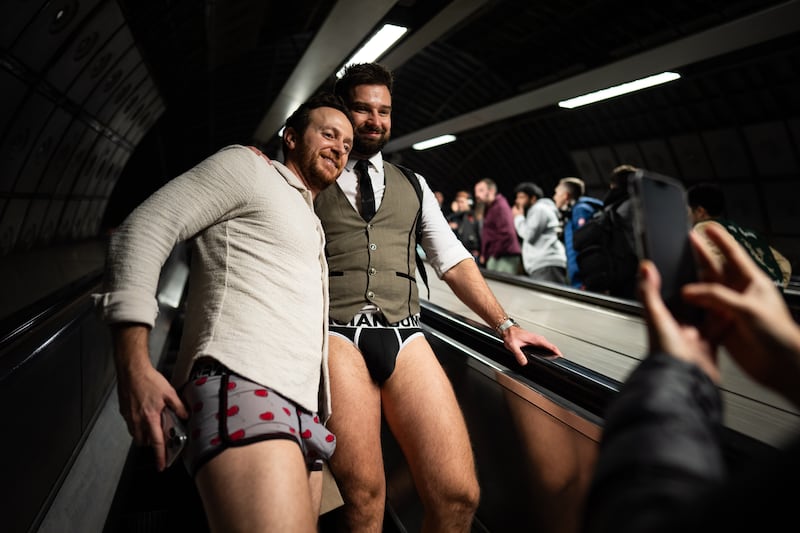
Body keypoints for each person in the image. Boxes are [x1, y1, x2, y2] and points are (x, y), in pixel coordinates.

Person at [315, 62, 563, 533]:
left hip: (405, 333)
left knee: (458, 495)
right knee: (363, 502)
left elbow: (451, 259)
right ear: (340, 112)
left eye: (384, 111)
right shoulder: (311, 175)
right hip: (335, 332)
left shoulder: (413, 184)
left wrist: (505, 325)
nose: (375, 120)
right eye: (362, 109)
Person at [94, 93, 354, 532]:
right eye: (328, 134)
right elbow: (142, 230)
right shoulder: (247, 168)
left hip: (302, 415)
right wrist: (133, 361)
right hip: (243, 384)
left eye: (347, 144)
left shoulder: (308, 216)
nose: (339, 149)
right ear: (290, 137)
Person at [581, 223, 800, 533]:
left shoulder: (706, 230)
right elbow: (783, 265)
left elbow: (642, 514)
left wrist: (675, 370)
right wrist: (792, 352)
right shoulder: (744, 232)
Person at [687, 182, 791, 289]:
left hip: (746, 296)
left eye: (688, 210)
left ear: (700, 211)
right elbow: (784, 263)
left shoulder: (704, 228)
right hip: (769, 296)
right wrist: (776, 287)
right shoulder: (745, 232)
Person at [511, 181, 567, 283]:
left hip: (547, 263)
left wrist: (518, 217)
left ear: (533, 198)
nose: (518, 201)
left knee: (548, 297)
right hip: (543, 264)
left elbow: (529, 235)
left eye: (522, 197)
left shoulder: (539, 209)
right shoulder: (537, 211)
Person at [555, 177, 603, 288]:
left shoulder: (580, 210)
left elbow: (586, 244)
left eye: (556, 193)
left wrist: (586, 278)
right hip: (580, 277)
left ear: (565, 195)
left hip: (584, 278)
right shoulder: (573, 213)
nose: (554, 197)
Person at [474, 177, 522, 274]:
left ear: (491, 191)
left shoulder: (500, 206)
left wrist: (492, 254)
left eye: (481, 190)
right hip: (498, 256)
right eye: (476, 191)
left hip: (503, 257)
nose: (477, 195)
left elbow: (507, 233)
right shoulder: (491, 208)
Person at [447, 189, 481, 261]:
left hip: (471, 253)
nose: (459, 204)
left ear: (469, 203)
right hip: (456, 253)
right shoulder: (454, 217)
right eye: (458, 202)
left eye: (462, 202)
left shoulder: (474, 216)